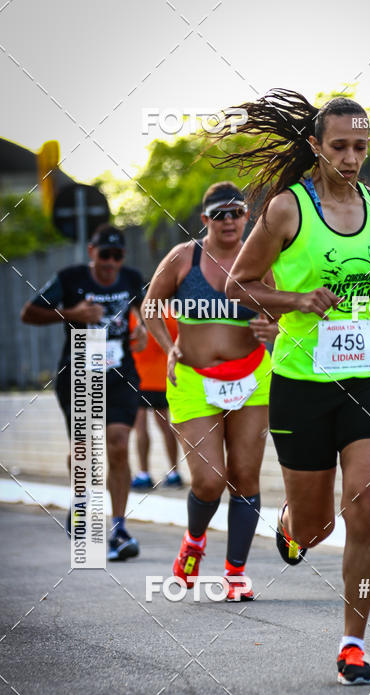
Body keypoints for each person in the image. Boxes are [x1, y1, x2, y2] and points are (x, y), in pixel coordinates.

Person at [220, 89, 370, 684]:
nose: (350, 157)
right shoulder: (288, 209)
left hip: (365, 378)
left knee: (368, 504)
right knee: (318, 528)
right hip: (300, 383)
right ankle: (293, 524)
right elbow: (239, 284)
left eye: (360, 147)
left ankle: (352, 645)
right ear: (316, 146)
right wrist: (295, 299)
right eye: (338, 146)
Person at [141, 182, 272, 601]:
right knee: (209, 479)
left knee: (245, 477)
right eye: (220, 214)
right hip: (195, 379)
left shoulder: (264, 259)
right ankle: (193, 543)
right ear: (205, 220)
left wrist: (273, 327)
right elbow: (149, 305)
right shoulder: (184, 258)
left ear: (247, 216)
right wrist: (169, 345)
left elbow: (285, 309)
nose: (229, 220)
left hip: (252, 377)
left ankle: (235, 573)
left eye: (236, 212)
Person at [21, 224, 147, 561]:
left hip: (121, 374)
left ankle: (118, 528)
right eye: (104, 254)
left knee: (118, 446)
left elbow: (148, 310)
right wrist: (71, 313)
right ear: (91, 252)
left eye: (116, 255)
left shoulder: (132, 278)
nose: (110, 262)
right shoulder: (70, 277)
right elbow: (28, 313)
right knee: (85, 450)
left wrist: (145, 329)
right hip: (79, 373)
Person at [129, 308, 182, 490]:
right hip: (163, 379)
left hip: (139, 378)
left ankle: (144, 474)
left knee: (140, 428)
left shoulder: (132, 316)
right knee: (167, 427)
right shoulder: (171, 314)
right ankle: (175, 473)